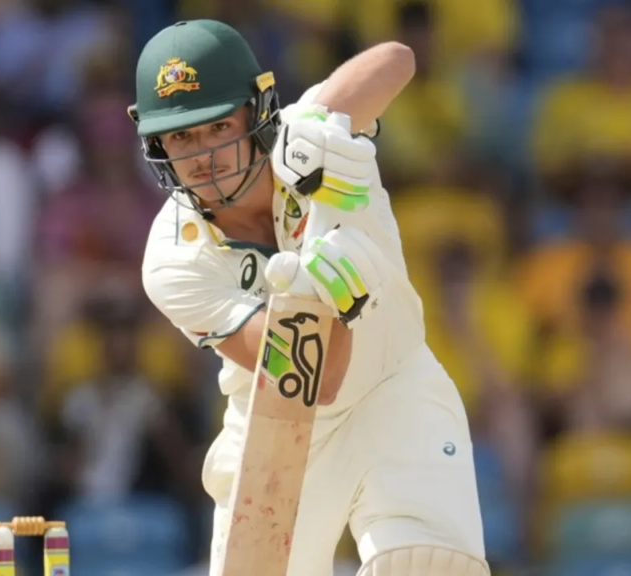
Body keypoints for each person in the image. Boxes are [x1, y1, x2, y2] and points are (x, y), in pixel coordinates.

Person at [133, 19, 489, 576]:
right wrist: (329, 292)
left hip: (395, 387)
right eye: (182, 137)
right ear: (158, 145)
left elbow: (398, 60)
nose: (204, 154)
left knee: (425, 565)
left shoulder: (304, 136)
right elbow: (314, 385)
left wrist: (325, 122)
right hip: (279, 426)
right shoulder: (173, 261)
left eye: (218, 126)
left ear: (256, 113)